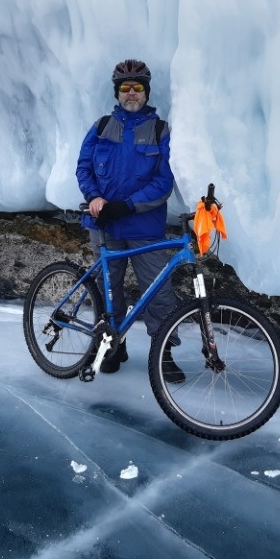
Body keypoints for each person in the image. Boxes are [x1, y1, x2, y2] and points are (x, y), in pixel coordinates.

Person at [76, 59, 184, 382]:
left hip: (144, 227)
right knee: (109, 292)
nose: (131, 94)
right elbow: (84, 167)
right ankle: (112, 346)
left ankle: (163, 352)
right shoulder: (101, 127)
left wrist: (129, 205)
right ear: (117, 93)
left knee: (158, 291)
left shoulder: (160, 131)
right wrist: (95, 197)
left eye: (138, 88)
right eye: (126, 88)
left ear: (147, 92)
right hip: (105, 226)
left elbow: (164, 181)